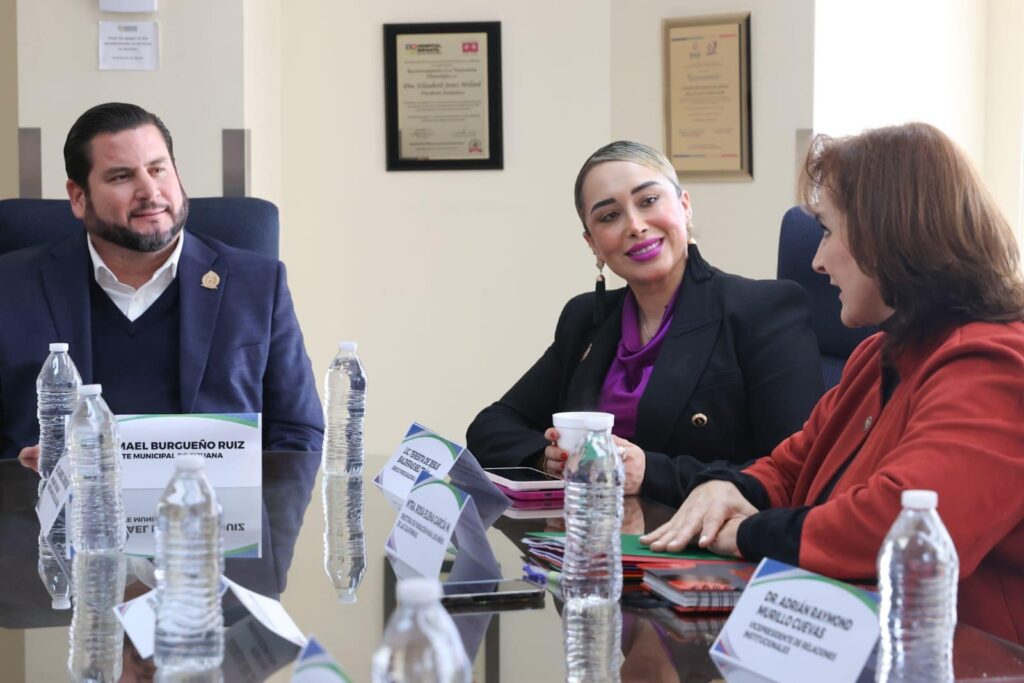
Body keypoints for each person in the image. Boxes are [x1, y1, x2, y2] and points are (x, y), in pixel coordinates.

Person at [640, 122, 1024, 644]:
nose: (817, 261)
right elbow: (794, 462)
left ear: (887, 233)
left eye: (827, 229)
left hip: (969, 654)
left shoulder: (994, 361)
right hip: (861, 641)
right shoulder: (879, 353)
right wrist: (732, 487)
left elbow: (900, 522)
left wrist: (748, 532)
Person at [466, 141, 825, 504]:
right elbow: (490, 427)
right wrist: (548, 458)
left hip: (704, 543)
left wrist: (649, 472)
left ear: (684, 206)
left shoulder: (764, 308)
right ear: (592, 243)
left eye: (648, 201)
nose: (635, 226)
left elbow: (798, 469)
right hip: (591, 537)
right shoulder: (585, 318)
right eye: (609, 216)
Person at [0, 102, 323, 466]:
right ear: (78, 197)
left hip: (214, 516)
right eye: (122, 177)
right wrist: (17, 479)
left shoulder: (258, 284)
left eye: (158, 170)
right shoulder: (11, 286)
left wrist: (266, 517)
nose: (150, 191)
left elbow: (299, 434)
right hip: (54, 517)